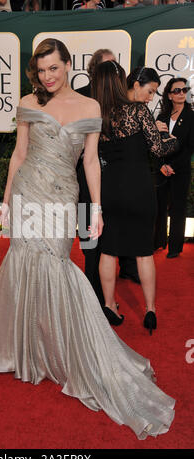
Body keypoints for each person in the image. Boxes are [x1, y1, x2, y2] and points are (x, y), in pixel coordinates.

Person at [0, 38, 175, 439]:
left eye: (55, 67)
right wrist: (6, 201)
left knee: (56, 267)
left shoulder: (90, 108)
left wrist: (97, 208)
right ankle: (27, 352)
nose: (48, 76)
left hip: (63, 197)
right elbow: (19, 154)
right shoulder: (28, 103)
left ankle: (72, 350)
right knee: (23, 264)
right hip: (29, 192)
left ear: (68, 65)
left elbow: (89, 161)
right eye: (42, 69)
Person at [93, 61, 176, 333]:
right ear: (135, 84)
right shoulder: (139, 112)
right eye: (150, 91)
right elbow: (157, 150)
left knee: (108, 250)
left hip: (110, 190)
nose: (151, 97)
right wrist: (172, 138)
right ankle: (150, 310)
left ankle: (108, 305)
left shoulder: (103, 114)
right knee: (143, 253)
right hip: (139, 189)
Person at [76, 50, 140, 312]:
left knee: (111, 238)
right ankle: (92, 297)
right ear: (95, 71)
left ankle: (107, 295)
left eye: (115, 67)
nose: (113, 73)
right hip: (84, 180)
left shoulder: (123, 102)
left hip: (112, 182)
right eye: (107, 68)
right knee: (89, 242)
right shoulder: (80, 97)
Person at [154, 77, 194, 258]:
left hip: (181, 169)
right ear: (169, 95)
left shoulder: (192, 116)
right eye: (177, 90)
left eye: (184, 90)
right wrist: (162, 165)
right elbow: (154, 145)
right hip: (162, 169)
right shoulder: (161, 117)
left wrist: (172, 165)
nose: (181, 93)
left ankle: (175, 247)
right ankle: (158, 241)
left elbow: (190, 147)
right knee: (159, 206)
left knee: (178, 208)